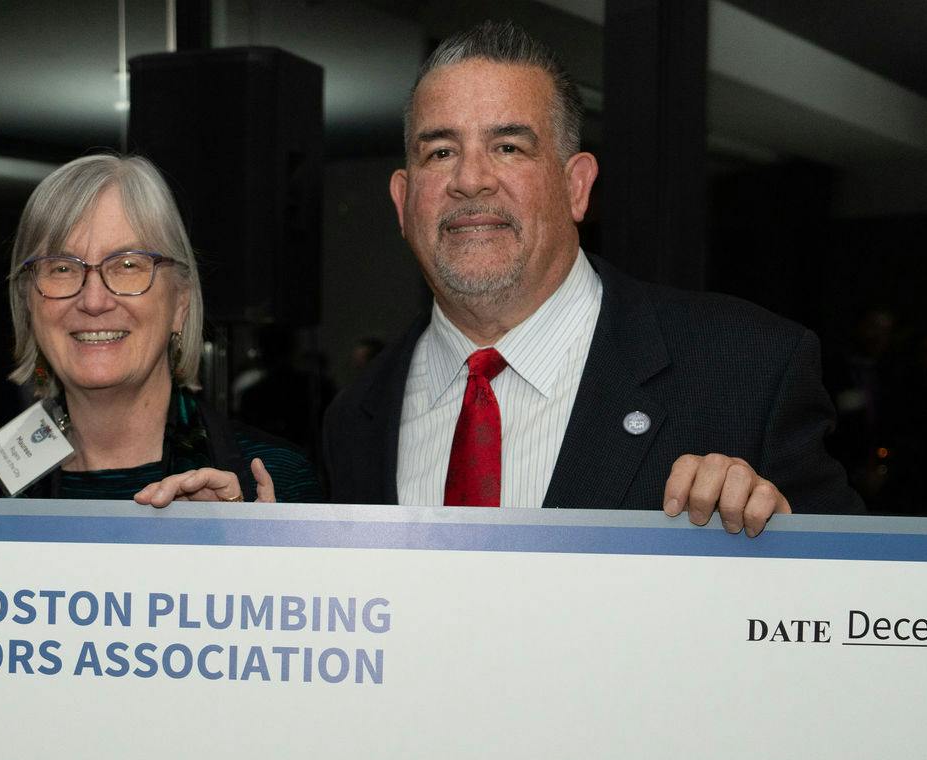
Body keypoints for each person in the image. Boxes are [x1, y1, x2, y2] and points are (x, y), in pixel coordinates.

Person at [321, 21, 859, 534]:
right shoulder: (356, 417)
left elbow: (858, 603)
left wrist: (791, 543)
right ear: (402, 200)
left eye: (509, 147)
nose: (470, 180)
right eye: (440, 152)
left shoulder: (750, 369)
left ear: (577, 186)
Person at [0, 153, 320, 510]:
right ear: (28, 304)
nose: (93, 300)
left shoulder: (273, 480)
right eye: (61, 268)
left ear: (180, 303)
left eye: (128, 264)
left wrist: (257, 554)